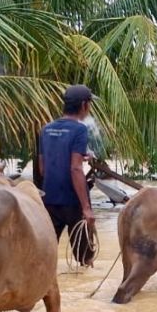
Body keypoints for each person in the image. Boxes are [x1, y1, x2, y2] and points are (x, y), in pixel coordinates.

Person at [38, 84, 96, 265]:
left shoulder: (45, 129)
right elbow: (75, 169)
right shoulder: (80, 130)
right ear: (84, 105)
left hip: (49, 201)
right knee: (85, 261)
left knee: (45, 256)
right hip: (73, 202)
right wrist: (86, 208)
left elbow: (43, 168)